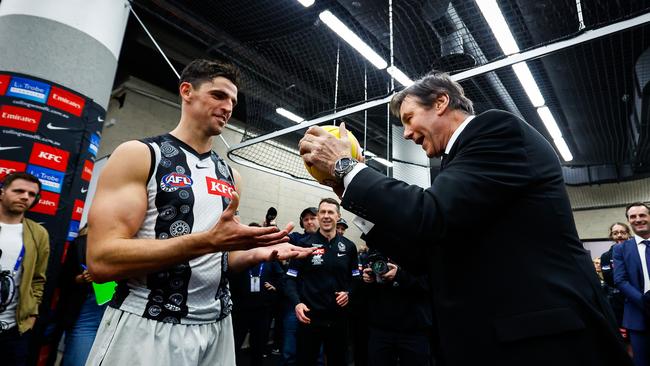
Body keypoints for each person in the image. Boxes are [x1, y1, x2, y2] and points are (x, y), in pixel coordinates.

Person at [299, 71, 631, 365]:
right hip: (494, 339)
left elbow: (430, 213)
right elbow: (424, 252)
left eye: (410, 117)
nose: (407, 134)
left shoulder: (495, 129)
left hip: (540, 339)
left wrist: (346, 167)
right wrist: (347, 193)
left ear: (441, 102)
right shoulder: (457, 164)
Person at [85, 59, 312, 366]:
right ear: (187, 91)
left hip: (218, 326)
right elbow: (101, 260)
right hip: (149, 324)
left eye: (233, 100)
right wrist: (208, 241)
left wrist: (257, 254)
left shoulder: (230, 175)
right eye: (219, 95)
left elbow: (222, 257)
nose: (228, 106)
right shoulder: (140, 155)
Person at [285, 198, 360, 366]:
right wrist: (297, 303)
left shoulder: (349, 247)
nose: (326, 216)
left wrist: (349, 293)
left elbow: (356, 278)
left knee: (338, 361)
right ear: (318, 216)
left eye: (331, 212)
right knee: (306, 361)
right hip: (310, 318)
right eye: (323, 212)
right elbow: (290, 278)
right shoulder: (304, 245)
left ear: (338, 216)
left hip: (338, 320)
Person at [0, 172, 50, 366]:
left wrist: (32, 314)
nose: (25, 197)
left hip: (13, 330)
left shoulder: (38, 233)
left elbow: (39, 278)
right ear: (2, 192)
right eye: (19, 191)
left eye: (31, 194)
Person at [229, 224, 285, 366]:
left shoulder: (268, 256)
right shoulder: (238, 255)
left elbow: (282, 276)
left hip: (262, 310)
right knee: (233, 345)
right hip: (240, 309)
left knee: (258, 347)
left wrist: (275, 286)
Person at [361, 256, 434, 366]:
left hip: (413, 329)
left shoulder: (419, 252)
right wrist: (366, 279)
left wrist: (400, 275)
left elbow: (429, 284)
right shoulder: (374, 253)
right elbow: (364, 292)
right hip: (380, 329)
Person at [56, 225, 107, 366]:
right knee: (79, 357)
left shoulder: (130, 243)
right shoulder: (81, 243)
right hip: (89, 307)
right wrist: (82, 278)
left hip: (118, 310)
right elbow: (64, 278)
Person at [614, 203, 650, 366]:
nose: (638, 219)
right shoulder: (620, 250)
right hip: (638, 315)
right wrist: (644, 301)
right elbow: (620, 280)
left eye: (642, 215)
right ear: (628, 221)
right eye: (633, 217)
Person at [283, 206, 319, 366]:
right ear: (302, 223)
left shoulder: (331, 243)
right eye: (306, 219)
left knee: (317, 354)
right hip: (295, 303)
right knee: (290, 351)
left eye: (313, 218)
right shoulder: (298, 239)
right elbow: (282, 239)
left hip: (319, 306)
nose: (309, 221)